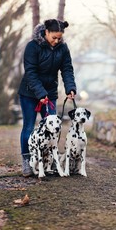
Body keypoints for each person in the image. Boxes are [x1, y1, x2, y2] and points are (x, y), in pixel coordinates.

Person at [18, 19, 76, 177]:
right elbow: (30, 72)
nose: (57, 41)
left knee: (53, 126)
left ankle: (50, 162)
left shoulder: (62, 48)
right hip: (30, 93)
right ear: (46, 32)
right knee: (29, 127)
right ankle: (27, 162)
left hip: (49, 93)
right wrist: (40, 93)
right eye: (54, 37)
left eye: (59, 38)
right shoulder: (33, 46)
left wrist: (70, 87)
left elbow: (67, 69)